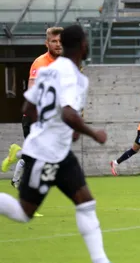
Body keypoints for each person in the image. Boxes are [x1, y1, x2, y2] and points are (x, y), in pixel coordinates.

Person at [0, 24, 112, 263]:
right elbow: (69, 114)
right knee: (23, 212)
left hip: (60, 153)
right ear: (82, 45)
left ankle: (101, 260)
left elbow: (28, 108)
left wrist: (51, 126)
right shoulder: (74, 76)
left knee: (86, 203)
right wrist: (94, 134)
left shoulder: (47, 71)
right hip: (46, 154)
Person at [1, 27, 63, 217]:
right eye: (54, 41)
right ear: (47, 44)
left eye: (60, 41)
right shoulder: (40, 62)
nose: (58, 44)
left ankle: (17, 154)